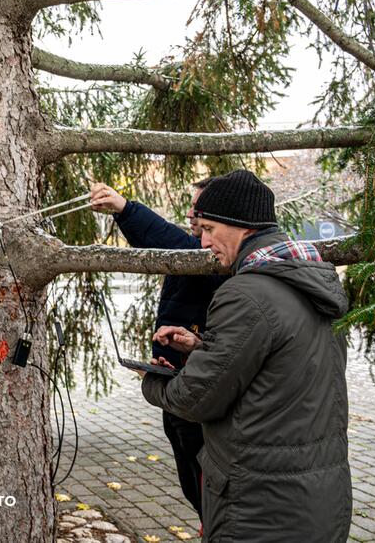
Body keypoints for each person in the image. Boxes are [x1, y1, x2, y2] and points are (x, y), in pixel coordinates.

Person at [139, 169, 352, 542]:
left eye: (208, 228)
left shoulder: (246, 293)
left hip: (260, 507)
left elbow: (196, 397)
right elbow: (279, 366)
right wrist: (202, 348)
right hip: (319, 496)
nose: (203, 242)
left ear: (239, 225)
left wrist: (153, 380)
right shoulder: (312, 279)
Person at [90, 178, 228, 518]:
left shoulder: (213, 259)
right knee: (193, 484)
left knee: (208, 492)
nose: (191, 215)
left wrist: (125, 209)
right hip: (176, 386)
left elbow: (171, 244)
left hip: (196, 397)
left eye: (199, 211)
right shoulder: (198, 250)